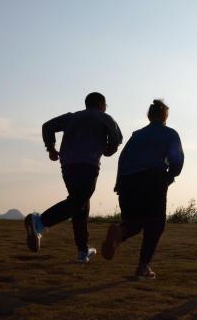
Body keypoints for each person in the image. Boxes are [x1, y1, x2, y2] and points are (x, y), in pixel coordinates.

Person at [24, 92, 123, 263]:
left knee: (80, 205)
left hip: (67, 165)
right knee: (78, 202)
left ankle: (83, 251)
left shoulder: (72, 117)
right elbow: (117, 139)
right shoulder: (104, 117)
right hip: (88, 164)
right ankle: (39, 221)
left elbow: (47, 126)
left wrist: (51, 149)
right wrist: (108, 149)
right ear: (101, 104)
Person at [101, 99, 184, 279]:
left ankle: (119, 232)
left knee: (133, 222)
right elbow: (177, 159)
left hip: (128, 182)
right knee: (155, 224)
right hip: (153, 180)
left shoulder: (136, 135)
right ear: (165, 116)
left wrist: (119, 183)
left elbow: (122, 159)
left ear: (149, 116)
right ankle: (143, 266)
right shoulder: (170, 134)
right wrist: (169, 177)